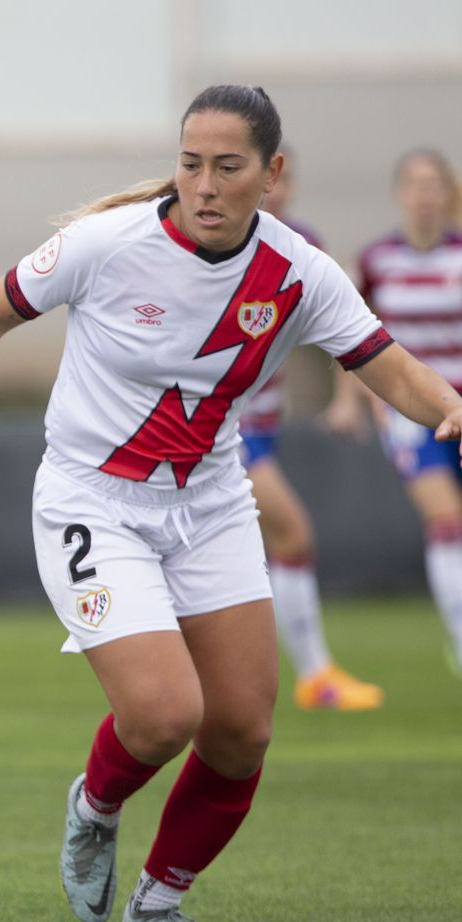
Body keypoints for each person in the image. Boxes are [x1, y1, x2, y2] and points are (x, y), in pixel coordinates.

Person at [0, 86, 462, 922]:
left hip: (212, 502)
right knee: (163, 716)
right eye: (191, 164)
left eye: (227, 168)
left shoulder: (298, 269)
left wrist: (450, 408)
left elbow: (385, 364)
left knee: (242, 729)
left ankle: (158, 902)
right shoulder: (108, 244)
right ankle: (95, 805)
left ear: (270, 174)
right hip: (91, 501)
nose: (203, 184)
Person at [237, 147, 383, 710]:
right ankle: (315, 677)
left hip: (263, 428)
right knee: (292, 534)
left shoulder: (302, 247)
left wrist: (348, 398)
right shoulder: (217, 241)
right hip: (225, 433)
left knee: (267, 545)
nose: (277, 189)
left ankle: (301, 676)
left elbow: (348, 332)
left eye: (285, 176)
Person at [353, 148, 462, 674]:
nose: (424, 195)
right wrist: (360, 401)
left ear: (448, 194)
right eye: (414, 184)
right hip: (413, 417)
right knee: (446, 522)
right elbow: (353, 338)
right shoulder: (377, 261)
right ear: (400, 193)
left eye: (434, 184)